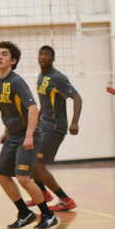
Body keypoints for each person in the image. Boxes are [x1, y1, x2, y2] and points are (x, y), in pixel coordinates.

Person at [0, 41, 58, 229]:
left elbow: (33, 108)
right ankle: (24, 213)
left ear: (12, 60)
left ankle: (48, 215)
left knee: (22, 177)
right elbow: (8, 110)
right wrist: (6, 130)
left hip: (28, 135)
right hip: (12, 135)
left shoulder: (15, 81)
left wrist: (29, 135)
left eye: (4, 54)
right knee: (1, 175)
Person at [26, 45, 82, 211]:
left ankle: (65, 199)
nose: (43, 57)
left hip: (55, 128)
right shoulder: (40, 77)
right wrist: (35, 122)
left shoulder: (58, 78)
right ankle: (42, 194)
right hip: (44, 125)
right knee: (30, 163)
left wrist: (75, 121)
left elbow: (77, 98)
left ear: (53, 58)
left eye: (47, 55)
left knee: (37, 166)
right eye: (40, 54)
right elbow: (44, 103)